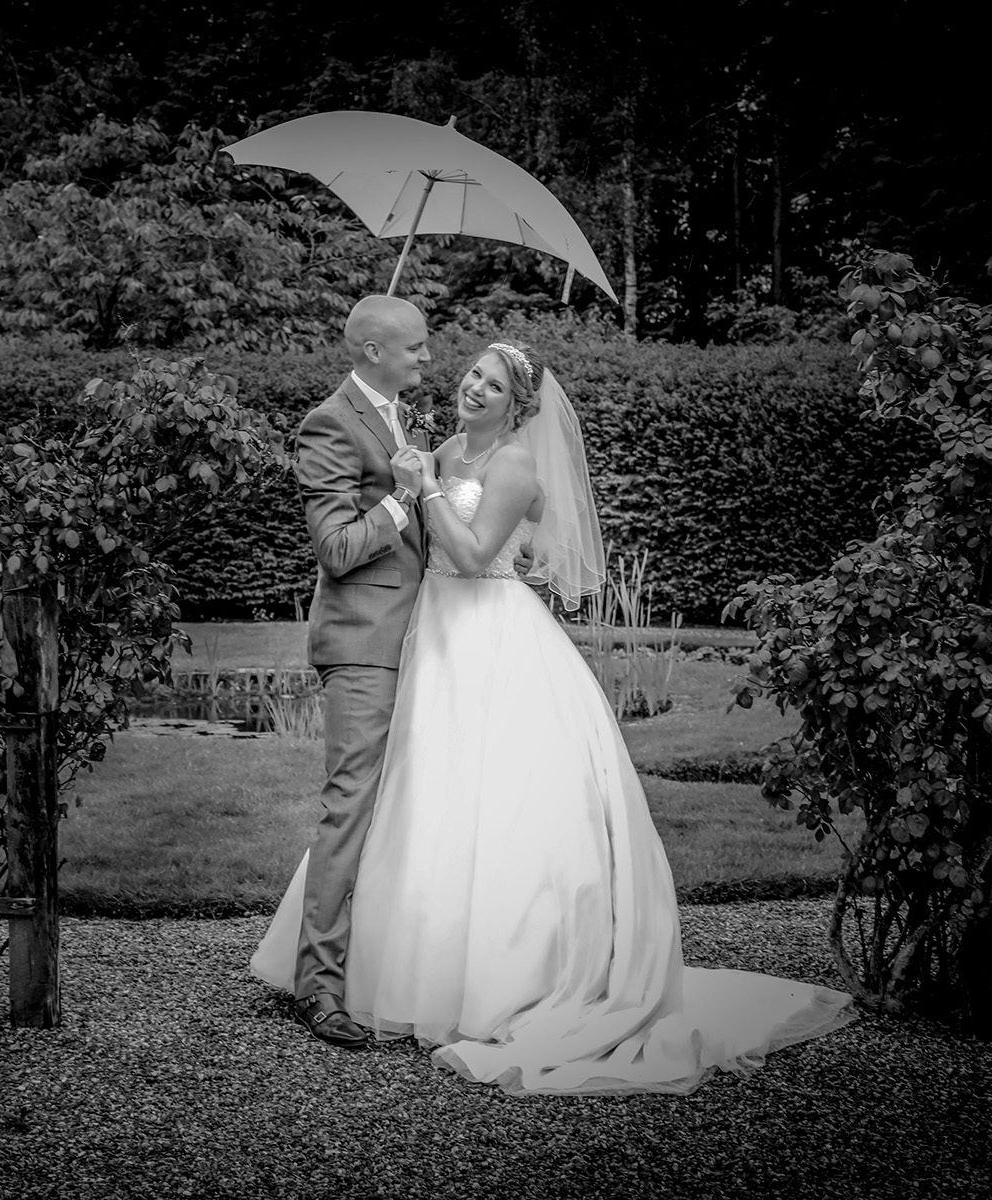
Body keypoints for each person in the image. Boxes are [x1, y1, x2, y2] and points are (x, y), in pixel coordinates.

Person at [252, 339, 857, 1094]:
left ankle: (500, 980)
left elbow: (473, 557)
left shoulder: (513, 465)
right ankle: (386, 966)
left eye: (495, 385)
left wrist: (425, 490)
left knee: (501, 800)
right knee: (417, 794)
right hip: (430, 634)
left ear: (519, 407)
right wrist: (417, 481)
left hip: (490, 632)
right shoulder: (440, 450)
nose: (476, 388)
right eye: (474, 374)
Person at [284, 294, 435, 1048]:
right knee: (350, 806)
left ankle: (393, 970)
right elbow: (337, 548)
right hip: (364, 643)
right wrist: (404, 496)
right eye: (415, 347)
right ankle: (318, 987)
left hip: (426, 641)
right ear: (373, 351)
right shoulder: (330, 423)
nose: (428, 357)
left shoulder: (409, 422)